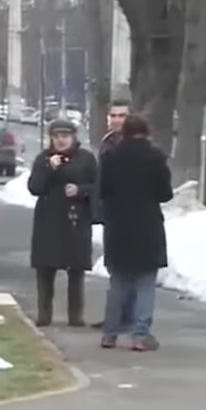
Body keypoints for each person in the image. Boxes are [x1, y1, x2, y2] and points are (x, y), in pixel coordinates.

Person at [99, 115, 173, 351]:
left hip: (118, 225)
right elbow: (165, 194)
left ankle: (109, 333)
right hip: (147, 225)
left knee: (118, 281)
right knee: (145, 282)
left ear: (125, 133)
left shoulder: (111, 157)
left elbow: (103, 190)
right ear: (147, 132)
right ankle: (141, 334)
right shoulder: (155, 157)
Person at [28, 119, 97, 327]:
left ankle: (75, 316)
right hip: (48, 220)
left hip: (75, 219)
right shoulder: (44, 158)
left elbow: (96, 186)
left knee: (75, 269)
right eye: (56, 137)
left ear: (73, 138)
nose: (60, 141)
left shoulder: (85, 159)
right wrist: (49, 168)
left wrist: (80, 190)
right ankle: (44, 314)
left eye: (65, 136)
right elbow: (35, 187)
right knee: (45, 269)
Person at [90, 99, 132, 330]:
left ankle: (126, 317)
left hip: (128, 214)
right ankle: (115, 315)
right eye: (113, 115)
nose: (117, 120)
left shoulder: (133, 144)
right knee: (113, 265)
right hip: (111, 214)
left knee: (128, 267)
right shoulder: (107, 143)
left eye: (122, 116)